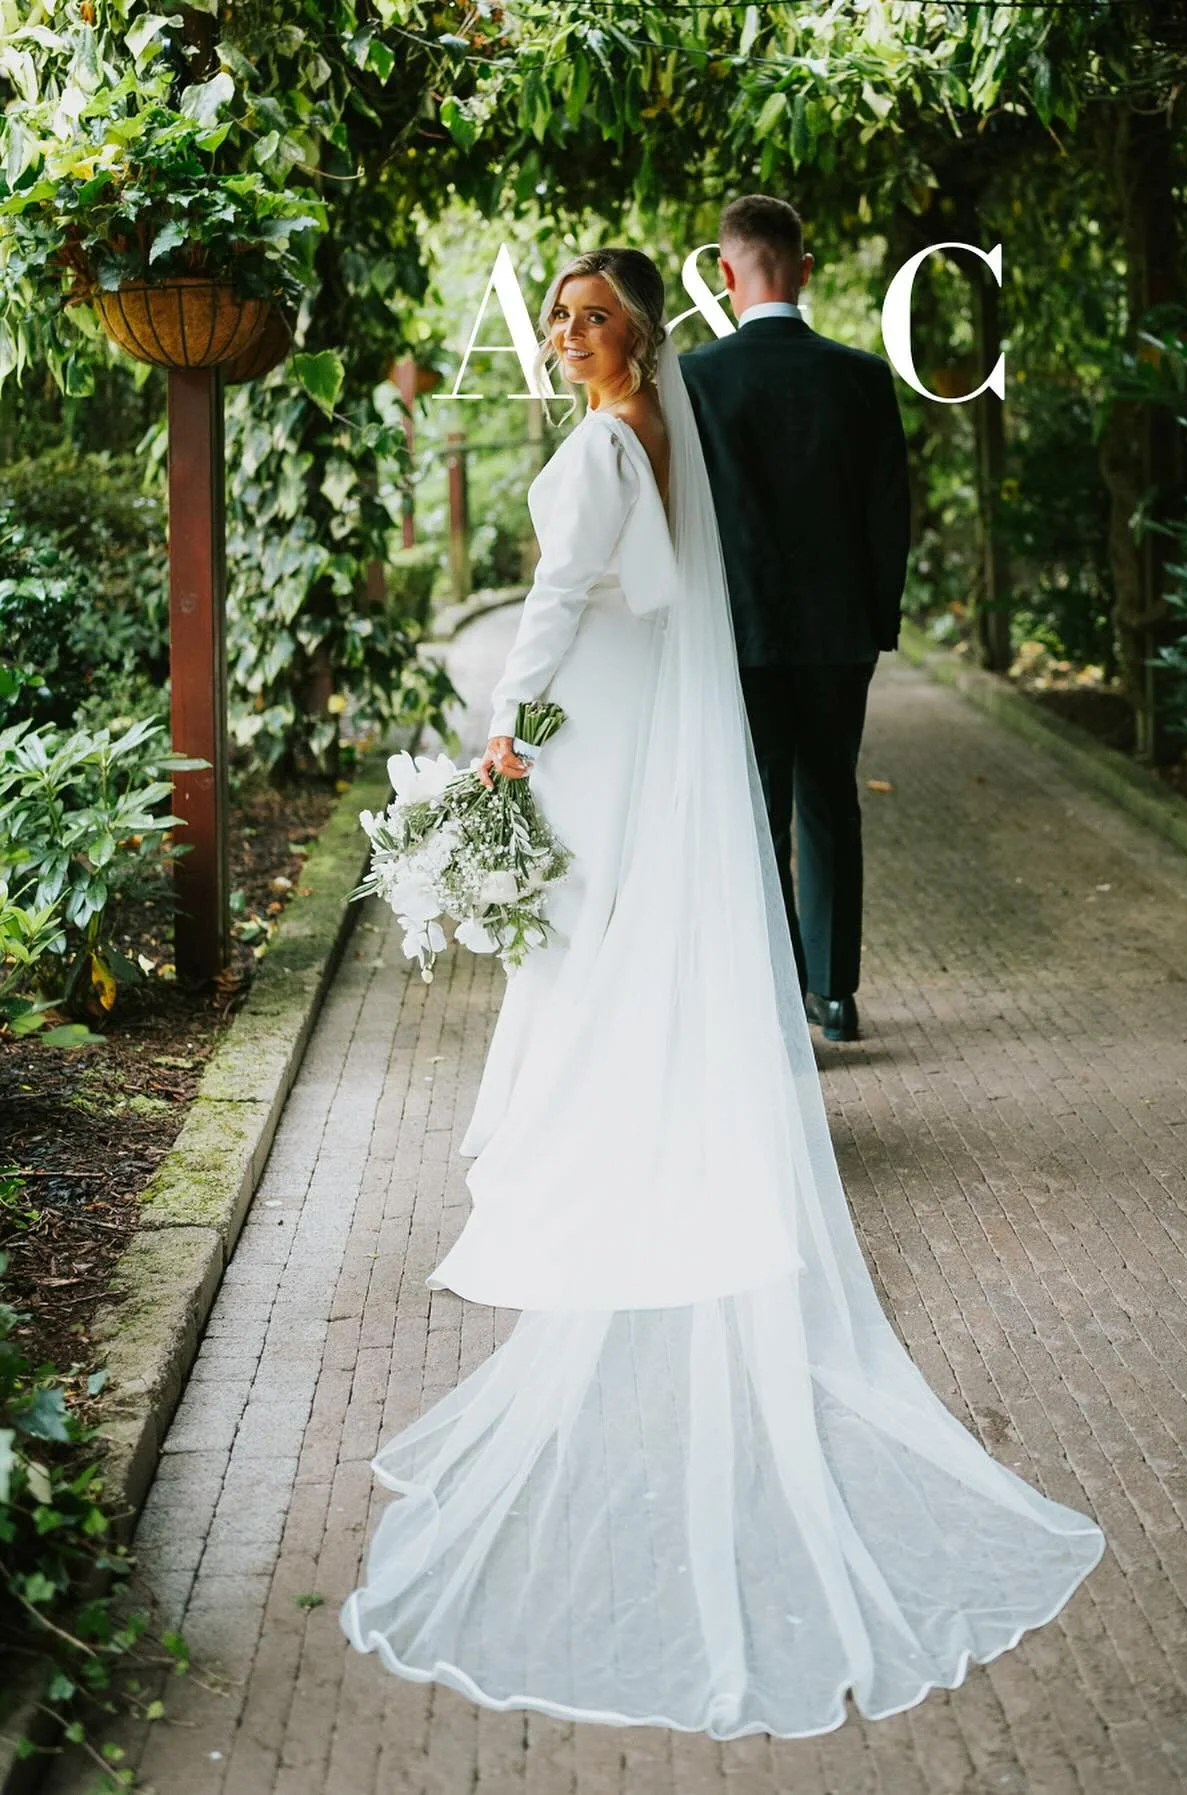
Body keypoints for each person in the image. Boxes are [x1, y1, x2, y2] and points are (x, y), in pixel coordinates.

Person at [339, 247, 1103, 1738]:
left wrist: (500, 738)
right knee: (621, 942)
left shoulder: (607, 442)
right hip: (627, 729)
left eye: (597, 314)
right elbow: (636, 597)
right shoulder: (651, 437)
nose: (570, 333)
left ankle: (596, 1161)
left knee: (588, 955)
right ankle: (643, 1121)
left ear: (644, 329)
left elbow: (562, 597)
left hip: (591, 729)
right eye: (559, 315)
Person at [681, 195, 909, 1043]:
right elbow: (891, 511)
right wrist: (875, 621)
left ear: (726, 272)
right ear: (803, 271)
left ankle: (775, 996)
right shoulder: (859, 375)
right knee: (830, 798)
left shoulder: (698, 378)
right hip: (839, 632)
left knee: (758, 807)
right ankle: (836, 993)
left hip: (739, 633)